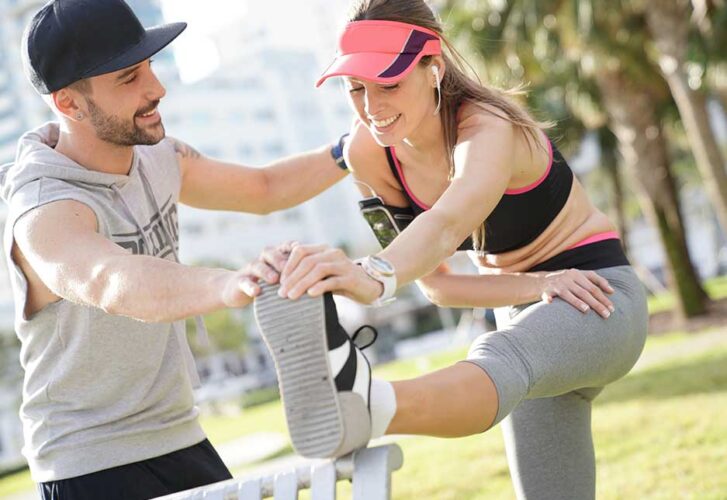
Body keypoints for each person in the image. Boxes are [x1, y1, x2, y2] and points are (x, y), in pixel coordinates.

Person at [251, 1, 649, 499]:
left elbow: (448, 219)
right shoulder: (367, 154)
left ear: (433, 68)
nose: (371, 106)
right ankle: (357, 402)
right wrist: (537, 285)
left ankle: (367, 404)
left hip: (598, 296)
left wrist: (372, 275)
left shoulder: (487, 126)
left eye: (389, 84)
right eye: (356, 88)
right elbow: (437, 287)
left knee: (495, 353)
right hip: (524, 312)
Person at [0, 0, 351, 498]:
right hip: (89, 464)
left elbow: (265, 188)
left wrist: (352, 149)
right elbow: (113, 281)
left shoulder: (157, 157)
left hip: (180, 436)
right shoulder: (45, 208)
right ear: (69, 103)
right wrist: (228, 283)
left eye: (149, 67)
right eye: (128, 77)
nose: (156, 88)